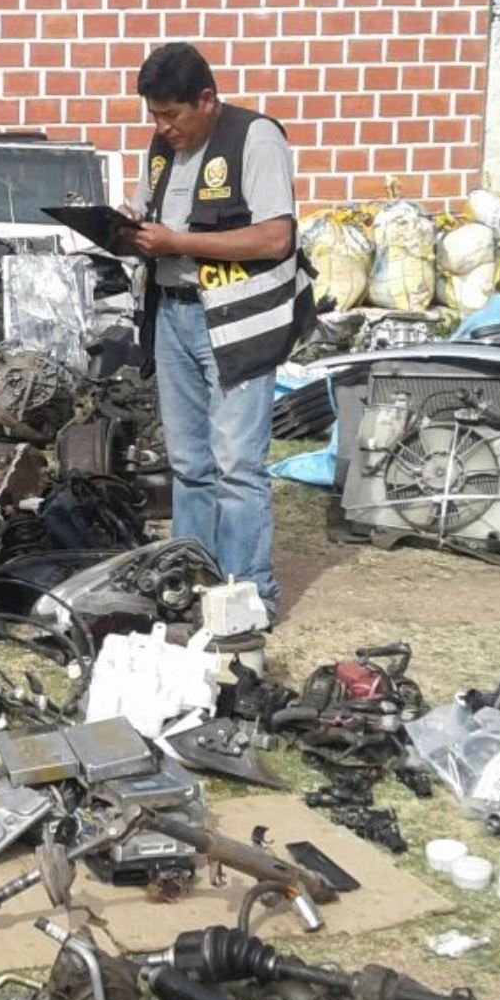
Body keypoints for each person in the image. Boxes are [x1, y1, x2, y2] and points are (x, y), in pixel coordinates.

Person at [123, 42, 312, 613]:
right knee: (188, 463)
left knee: (237, 464)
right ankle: (192, 582)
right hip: (174, 315)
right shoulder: (161, 148)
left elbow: (276, 237)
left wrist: (178, 242)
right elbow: (152, 219)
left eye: (172, 114)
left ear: (206, 99)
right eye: (154, 115)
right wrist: (127, 229)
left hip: (238, 323)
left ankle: (249, 595)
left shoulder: (255, 138)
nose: (162, 126)